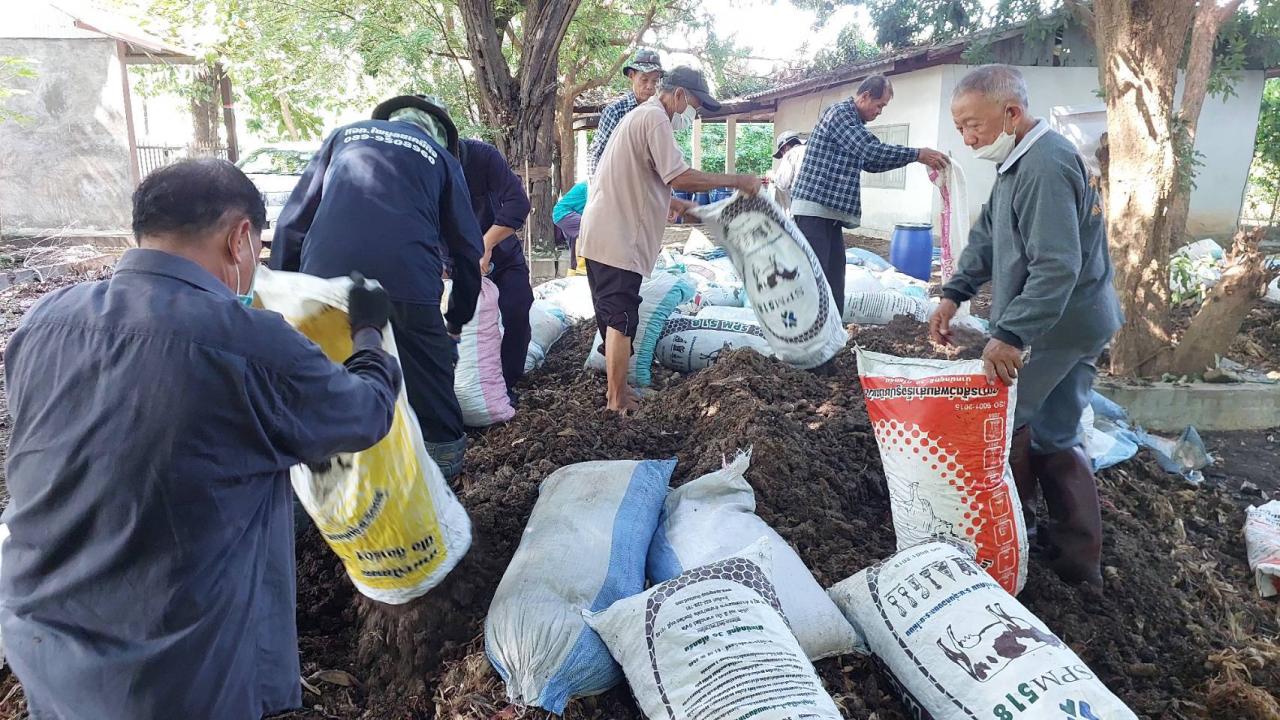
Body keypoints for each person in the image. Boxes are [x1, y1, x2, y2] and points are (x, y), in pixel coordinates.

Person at [0, 159, 401, 719]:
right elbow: (365, 413)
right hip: (173, 669)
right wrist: (368, 333)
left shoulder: (45, 320)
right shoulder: (249, 343)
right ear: (240, 238)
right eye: (258, 250)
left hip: (41, 637)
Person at [930, 64, 1123, 589]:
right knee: (1057, 431)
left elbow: (1057, 265)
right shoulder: (1018, 162)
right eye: (960, 127)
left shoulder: (1044, 165)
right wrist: (954, 293)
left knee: (1005, 421)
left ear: (1011, 113)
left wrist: (1012, 333)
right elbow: (988, 236)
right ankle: (1074, 561)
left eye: (974, 125)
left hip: (1059, 325)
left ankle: (1009, 542)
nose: (967, 139)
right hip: (1080, 319)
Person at [271, 95, 484, 479]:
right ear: (439, 134)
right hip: (407, 284)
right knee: (433, 398)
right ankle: (441, 486)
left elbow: (291, 223)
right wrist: (456, 320)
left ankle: (310, 496)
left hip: (325, 281)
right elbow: (468, 249)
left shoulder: (343, 136)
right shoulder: (441, 158)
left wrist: (286, 292)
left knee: (319, 386)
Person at [578, 66, 762, 413]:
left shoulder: (640, 117)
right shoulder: (655, 118)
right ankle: (617, 400)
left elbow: (642, 176)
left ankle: (618, 390)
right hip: (618, 237)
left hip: (602, 232)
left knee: (613, 316)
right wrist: (737, 180)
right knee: (621, 319)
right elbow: (679, 176)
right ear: (678, 95)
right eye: (694, 106)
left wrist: (673, 203)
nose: (693, 115)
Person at [402, 96, 535, 395]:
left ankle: (507, 384)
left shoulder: (482, 157)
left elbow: (518, 203)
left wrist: (485, 245)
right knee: (446, 326)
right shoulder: (414, 169)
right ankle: (453, 391)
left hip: (502, 257)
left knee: (517, 310)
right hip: (451, 266)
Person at [791, 74, 949, 317]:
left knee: (834, 279)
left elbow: (872, 163)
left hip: (828, 216)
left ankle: (832, 332)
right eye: (879, 105)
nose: (879, 112)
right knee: (815, 281)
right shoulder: (840, 114)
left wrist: (914, 158)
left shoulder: (853, 124)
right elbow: (869, 151)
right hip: (814, 213)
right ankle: (807, 334)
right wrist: (917, 154)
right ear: (865, 96)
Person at [586, 49, 664, 178]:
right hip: (617, 183)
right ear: (631, 75)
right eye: (644, 79)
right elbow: (597, 153)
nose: (650, 86)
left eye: (655, 81)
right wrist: (595, 185)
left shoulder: (660, 113)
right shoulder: (615, 111)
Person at [553, 180, 588, 271]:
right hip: (564, 213)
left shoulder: (589, 184)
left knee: (574, 241)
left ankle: (574, 270)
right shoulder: (589, 186)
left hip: (562, 214)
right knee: (586, 229)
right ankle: (582, 268)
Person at [768, 130, 805, 211]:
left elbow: (783, 183)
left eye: (781, 152)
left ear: (785, 147)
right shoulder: (809, 150)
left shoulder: (790, 153)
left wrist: (773, 177)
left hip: (801, 204)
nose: (782, 155)